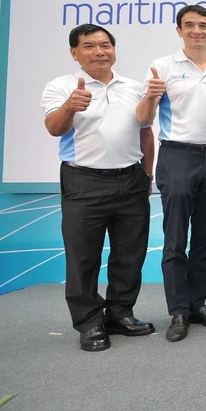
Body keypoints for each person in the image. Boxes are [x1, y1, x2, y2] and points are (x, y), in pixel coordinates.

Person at [41, 24, 154, 352]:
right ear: (74, 53)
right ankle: (89, 322)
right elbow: (53, 128)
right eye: (89, 46)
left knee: (130, 253)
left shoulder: (133, 88)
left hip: (131, 179)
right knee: (83, 256)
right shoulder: (61, 87)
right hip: (84, 181)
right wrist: (70, 106)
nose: (100, 52)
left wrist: (147, 175)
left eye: (105, 45)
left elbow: (145, 132)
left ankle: (120, 312)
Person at [137, 4, 206, 342]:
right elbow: (143, 119)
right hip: (177, 156)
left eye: (203, 25)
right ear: (179, 30)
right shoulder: (162, 67)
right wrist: (151, 96)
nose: (196, 30)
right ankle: (177, 311)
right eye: (189, 25)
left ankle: (197, 304)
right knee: (175, 239)